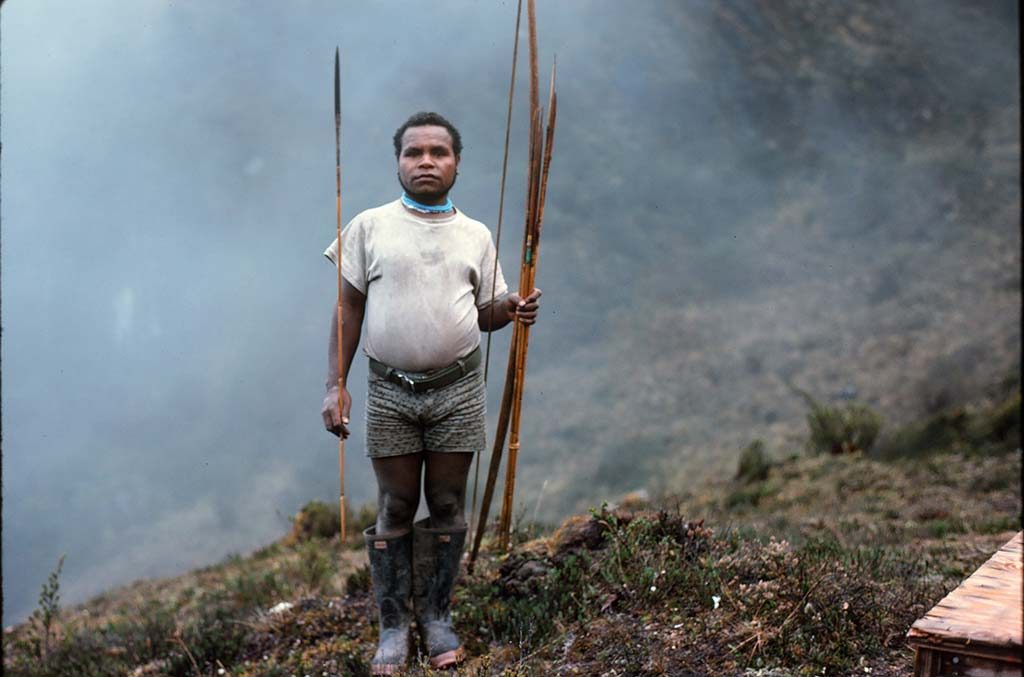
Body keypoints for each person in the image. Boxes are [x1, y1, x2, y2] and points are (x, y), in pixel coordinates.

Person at [320, 111, 541, 674]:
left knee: (445, 503)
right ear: (397, 161)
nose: (425, 161)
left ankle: (437, 614)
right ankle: (393, 626)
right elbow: (348, 308)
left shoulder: (475, 235)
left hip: (457, 390)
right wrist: (334, 385)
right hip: (390, 390)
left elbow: (485, 313)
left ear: (456, 163)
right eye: (413, 152)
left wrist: (511, 308)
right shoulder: (369, 227)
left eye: (437, 153)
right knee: (396, 504)